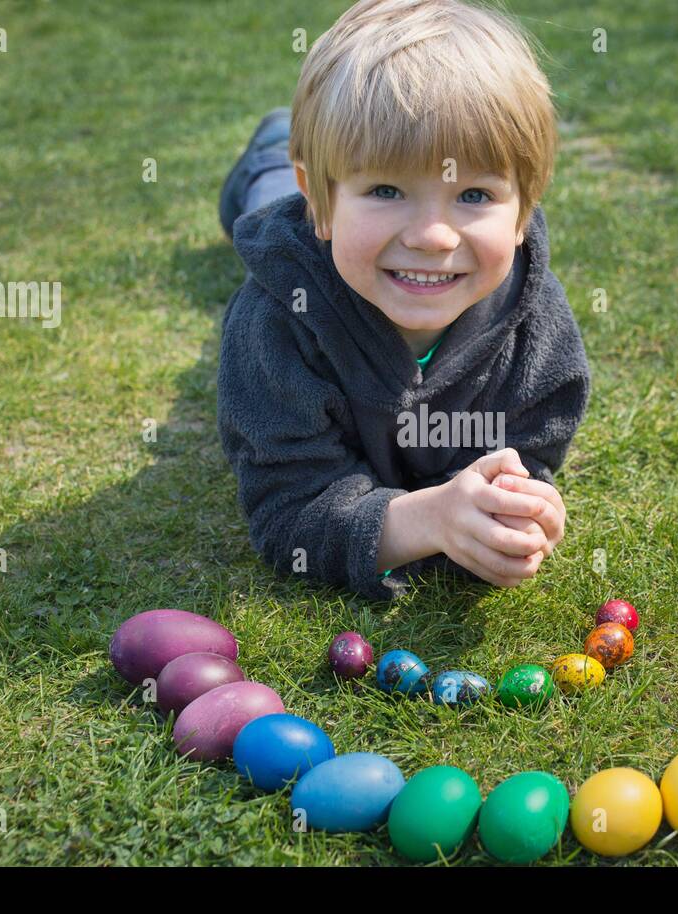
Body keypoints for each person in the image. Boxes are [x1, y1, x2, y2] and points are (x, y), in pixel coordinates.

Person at [216, 0, 590, 601]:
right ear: (323, 198)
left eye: (473, 194)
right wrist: (428, 520)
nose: (432, 236)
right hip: (286, 201)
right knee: (264, 193)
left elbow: (529, 452)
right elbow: (288, 512)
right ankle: (271, 145)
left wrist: (512, 507)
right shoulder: (275, 322)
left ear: (524, 209)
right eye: (386, 189)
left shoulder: (534, 322)